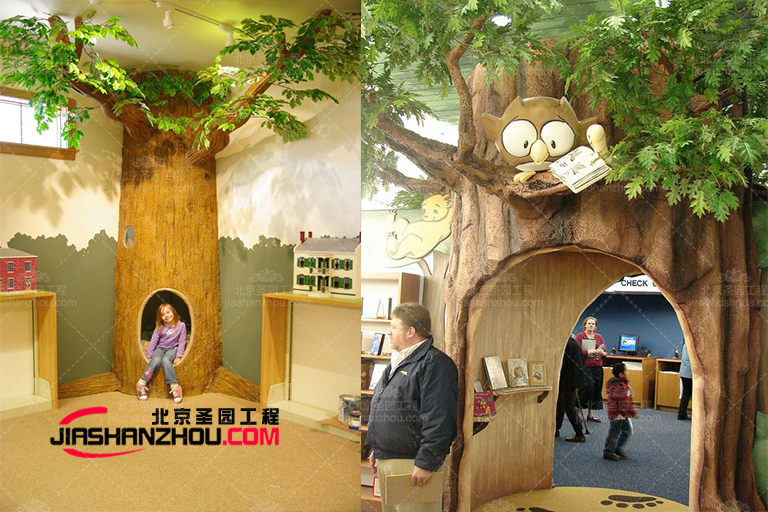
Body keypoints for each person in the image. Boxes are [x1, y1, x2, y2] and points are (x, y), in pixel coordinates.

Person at [367, 303, 458, 512]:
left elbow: (440, 418)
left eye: (393, 327)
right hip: (389, 459)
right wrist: (377, 448)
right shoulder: (400, 360)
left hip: (413, 464)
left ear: (410, 331)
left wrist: (426, 462)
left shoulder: (435, 364)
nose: (389, 332)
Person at [136, 304, 186, 403]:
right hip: (160, 348)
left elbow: (182, 341)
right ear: (160, 318)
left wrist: (179, 355)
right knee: (156, 360)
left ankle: (175, 387)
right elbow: (154, 340)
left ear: (173, 312)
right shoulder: (160, 326)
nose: (166, 316)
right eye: (163, 315)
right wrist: (149, 355)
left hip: (172, 349)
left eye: (168, 312)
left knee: (165, 360)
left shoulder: (181, 326)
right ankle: (141, 383)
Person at [575, 316, 606, 422]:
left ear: (595, 326)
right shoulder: (580, 336)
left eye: (593, 324)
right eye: (589, 323)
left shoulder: (599, 337)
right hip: (585, 367)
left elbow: (605, 351)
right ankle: (577, 414)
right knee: (584, 389)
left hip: (597, 367)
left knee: (596, 389)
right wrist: (590, 352)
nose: (591, 325)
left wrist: (602, 353)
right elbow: (577, 351)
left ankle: (591, 414)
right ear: (585, 325)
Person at [603, 362, 637, 461]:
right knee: (614, 433)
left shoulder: (623, 384)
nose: (628, 372)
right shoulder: (620, 386)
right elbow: (623, 402)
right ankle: (608, 451)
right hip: (617, 414)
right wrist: (632, 412)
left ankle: (617, 448)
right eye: (626, 371)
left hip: (623, 414)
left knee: (627, 431)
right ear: (621, 374)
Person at [556, 336, 586, 442]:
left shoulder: (566, 344)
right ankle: (556, 429)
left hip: (568, 380)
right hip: (574, 379)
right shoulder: (573, 342)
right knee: (560, 405)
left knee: (569, 408)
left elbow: (563, 364)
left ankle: (579, 433)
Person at [678, 344, 692, 420]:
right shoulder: (692, 344)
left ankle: (681, 414)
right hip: (690, 373)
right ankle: (696, 416)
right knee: (694, 394)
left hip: (684, 372)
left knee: (686, 394)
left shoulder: (686, 344)